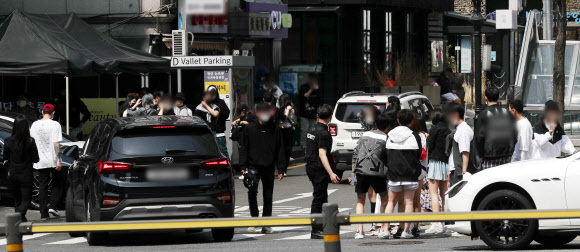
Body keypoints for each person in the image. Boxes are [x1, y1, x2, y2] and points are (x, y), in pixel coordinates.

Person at [240, 103, 285, 234]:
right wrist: (243, 166)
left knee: (268, 195)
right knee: (252, 193)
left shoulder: (275, 129)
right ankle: (254, 220)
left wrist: (281, 168)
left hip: (269, 166)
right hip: (253, 166)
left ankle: (266, 224)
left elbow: (280, 149)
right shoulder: (250, 128)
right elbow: (243, 147)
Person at [351, 112, 392, 239]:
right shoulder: (386, 138)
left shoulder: (365, 135)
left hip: (361, 171)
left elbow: (355, 152)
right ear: (388, 126)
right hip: (377, 172)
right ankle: (383, 229)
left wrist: (353, 171)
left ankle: (360, 231)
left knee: (360, 200)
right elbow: (388, 158)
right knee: (384, 199)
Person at [383, 109, 422, 239]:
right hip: (410, 174)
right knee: (409, 202)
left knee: (391, 202)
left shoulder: (389, 135)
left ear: (398, 120)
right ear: (411, 121)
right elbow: (419, 155)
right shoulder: (414, 136)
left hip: (394, 173)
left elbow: (384, 153)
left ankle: (385, 230)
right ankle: (406, 231)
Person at [305, 104, 340, 239]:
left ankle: (321, 227)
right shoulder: (324, 133)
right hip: (319, 168)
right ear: (330, 117)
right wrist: (331, 173)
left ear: (317, 116)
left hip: (310, 166)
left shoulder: (312, 128)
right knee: (318, 199)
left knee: (321, 198)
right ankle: (315, 230)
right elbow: (322, 154)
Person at [2, 116, 39, 222]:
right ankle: (18, 216)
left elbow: (5, 158)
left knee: (17, 199)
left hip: (13, 173)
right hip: (26, 173)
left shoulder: (8, 141)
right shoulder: (31, 142)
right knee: (26, 200)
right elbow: (36, 159)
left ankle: (20, 218)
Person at [30, 104, 63, 219]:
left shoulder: (34, 125)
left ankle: (43, 213)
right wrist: (58, 160)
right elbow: (56, 144)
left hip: (39, 160)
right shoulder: (55, 125)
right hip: (52, 159)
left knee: (42, 186)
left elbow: (31, 141)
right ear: (53, 113)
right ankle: (53, 206)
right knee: (57, 183)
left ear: (43, 112)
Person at [474, 87, 517, 169]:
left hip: (489, 156)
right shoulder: (508, 113)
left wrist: (480, 154)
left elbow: (479, 137)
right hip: (506, 154)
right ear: (498, 98)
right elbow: (514, 134)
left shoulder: (483, 115)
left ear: (485, 98)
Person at [425, 109, 451, 234]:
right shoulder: (448, 129)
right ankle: (446, 222)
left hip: (435, 162)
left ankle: (436, 223)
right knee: (444, 193)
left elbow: (430, 146)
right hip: (446, 163)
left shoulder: (434, 129)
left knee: (433, 193)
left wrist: (428, 138)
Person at [445, 103, 479, 186]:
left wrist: (464, 172)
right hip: (457, 170)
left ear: (455, 114)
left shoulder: (463, 130)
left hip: (460, 173)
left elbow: (465, 152)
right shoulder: (460, 128)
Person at [409, 115, 428, 238]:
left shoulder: (421, 136)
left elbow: (423, 154)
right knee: (412, 200)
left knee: (414, 200)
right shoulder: (421, 135)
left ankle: (414, 226)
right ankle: (408, 226)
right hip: (415, 170)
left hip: (415, 170)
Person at [299, 73, 321, 148]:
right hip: (304, 114)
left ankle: (312, 145)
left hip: (313, 114)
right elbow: (304, 97)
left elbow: (318, 102)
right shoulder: (304, 87)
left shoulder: (317, 89)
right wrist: (311, 89)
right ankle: (304, 146)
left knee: (313, 131)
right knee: (305, 130)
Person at [277, 94, 297, 177]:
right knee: (284, 150)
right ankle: (282, 169)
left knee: (284, 150)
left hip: (285, 130)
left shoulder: (289, 108)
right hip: (284, 130)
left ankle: (282, 169)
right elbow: (284, 120)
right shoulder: (282, 109)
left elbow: (293, 121)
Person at [231, 103, 253, 178]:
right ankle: (245, 171)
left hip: (248, 137)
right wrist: (236, 121)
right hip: (244, 137)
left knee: (245, 154)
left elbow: (253, 123)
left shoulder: (250, 116)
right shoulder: (244, 116)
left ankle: (245, 172)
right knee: (243, 153)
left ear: (243, 110)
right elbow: (240, 119)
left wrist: (245, 123)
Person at [208, 87, 231, 158]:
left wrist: (219, 112)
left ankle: (228, 168)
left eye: (213, 92)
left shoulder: (221, 102)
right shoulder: (206, 103)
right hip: (209, 134)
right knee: (210, 155)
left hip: (219, 134)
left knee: (223, 153)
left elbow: (227, 113)